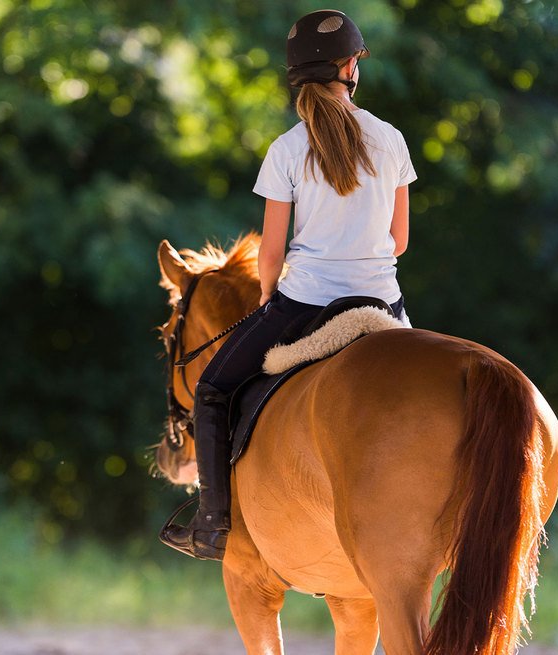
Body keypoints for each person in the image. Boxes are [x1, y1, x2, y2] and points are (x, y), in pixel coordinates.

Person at [159, 9, 418, 561]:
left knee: (211, 390)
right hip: (384, 304)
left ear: (298, 76)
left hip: (305, 304)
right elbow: (399, 240)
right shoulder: (392, 139)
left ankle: (210, 525)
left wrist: (268, 299)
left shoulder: (285, 149)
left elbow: (271, 252)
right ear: (351, 68)